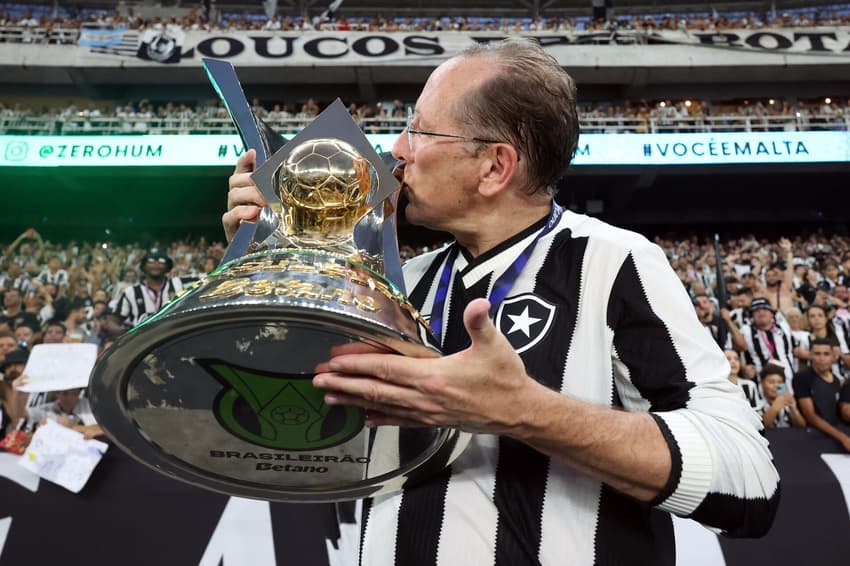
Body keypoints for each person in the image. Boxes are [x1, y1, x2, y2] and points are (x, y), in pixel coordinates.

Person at [224, 39, 778, 564]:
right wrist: (272, 260)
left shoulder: (612, 262)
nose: (396, 149)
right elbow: (289, 429)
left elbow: (751, 481)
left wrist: (524, 410)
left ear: (494, 166)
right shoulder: (396, 283)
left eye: (418, 130)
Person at [792, 338, 850, 451]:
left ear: (833, 357)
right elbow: (810, 416)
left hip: (833, 437)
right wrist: (843, 438)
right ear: (810, 355)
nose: (821, 358)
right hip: (811, 438)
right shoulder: (802, 377)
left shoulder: (837, 380)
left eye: (826, 354)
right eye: (817, 354)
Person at [114, 248, 186, 326]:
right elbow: (115, 319)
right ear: (144, 266)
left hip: (176, 335)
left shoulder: (179, 284)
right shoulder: (130, 291)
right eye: (151, 260)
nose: (156, 263)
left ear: (167, 266)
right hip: (143, 337)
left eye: (161, 260)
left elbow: (200, 282)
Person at [758, 364, 805, 428]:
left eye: (780, 382)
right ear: (762, 382)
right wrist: (775, 407)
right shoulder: (757, 402)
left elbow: (802, 426)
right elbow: (760, 427)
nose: (776, 386)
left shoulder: (788, 402)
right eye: (771, 382)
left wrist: (794, 410)